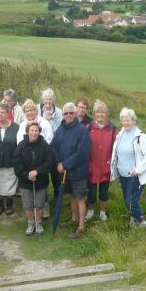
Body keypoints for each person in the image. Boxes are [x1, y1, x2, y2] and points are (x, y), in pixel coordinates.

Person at [110, 107, 146, 228]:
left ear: (134, 120)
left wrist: (137, 170)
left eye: (128, 120)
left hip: (135, 176)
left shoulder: (141, 137)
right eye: (123, 120)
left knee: (131, 201)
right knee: (127, 200)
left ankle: (141, 222)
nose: (125, 122)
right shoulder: (120, 135)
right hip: (123, 175)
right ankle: (133, 219)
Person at [51, 102, 91, 238]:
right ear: (62, 115)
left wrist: (65, 164)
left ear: (75, 114)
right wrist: (58, 163)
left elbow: (82, 153)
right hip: (64, 171)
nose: (68, 115)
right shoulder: (60, 129)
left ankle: (81, 226)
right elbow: (53, 146)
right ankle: (73, 219)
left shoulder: (82, 130)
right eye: (65, 113)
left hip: (78, 171)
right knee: (72, 196)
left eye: (70, 113)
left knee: (80, 198)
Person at [13, 122, 54, 235]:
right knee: (28, 205)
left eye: (36, 130)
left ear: (39, 132)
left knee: (40, 204)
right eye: (32, 130)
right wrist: (27, 174)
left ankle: (38, 222)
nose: (34, 133)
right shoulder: (21, 145)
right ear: (27, 131)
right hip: (25, 181)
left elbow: (49, 162)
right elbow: (17, 163)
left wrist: (37, 171)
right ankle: (31, 223)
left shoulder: (44, 145)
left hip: (41, 180)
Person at [86, 100, 117, 222]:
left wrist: (112, 162)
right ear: (94, 113)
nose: (100, 114)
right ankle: (90, 210)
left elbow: (116, 148)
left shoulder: (113, 129)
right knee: (91, 192)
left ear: (106, 113)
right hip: (91, 166)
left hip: (106, 166)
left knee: (104, 192)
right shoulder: (88, 128)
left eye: (102, 111)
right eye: (98, 111)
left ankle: (103, 212)